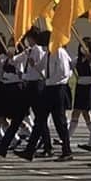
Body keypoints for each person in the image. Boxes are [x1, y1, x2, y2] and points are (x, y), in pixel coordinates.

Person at [20, 27, 74, 160]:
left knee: (59, 121)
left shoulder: (59, 52)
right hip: (49, 88)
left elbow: (64, 73)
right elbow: (41, 67)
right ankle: (29, 150)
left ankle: (67, 150)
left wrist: (50, 80)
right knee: (40, 120)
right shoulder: (49, 53)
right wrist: (33, 64)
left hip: (57, 88)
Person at [69, 38, 91, 149]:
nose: (83, 48)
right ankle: (67, 138)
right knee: (76, 112)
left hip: (89, 86)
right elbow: (68, 66)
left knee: (86, 112)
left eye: (85, 46)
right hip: (80, 86)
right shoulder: (77, 60)